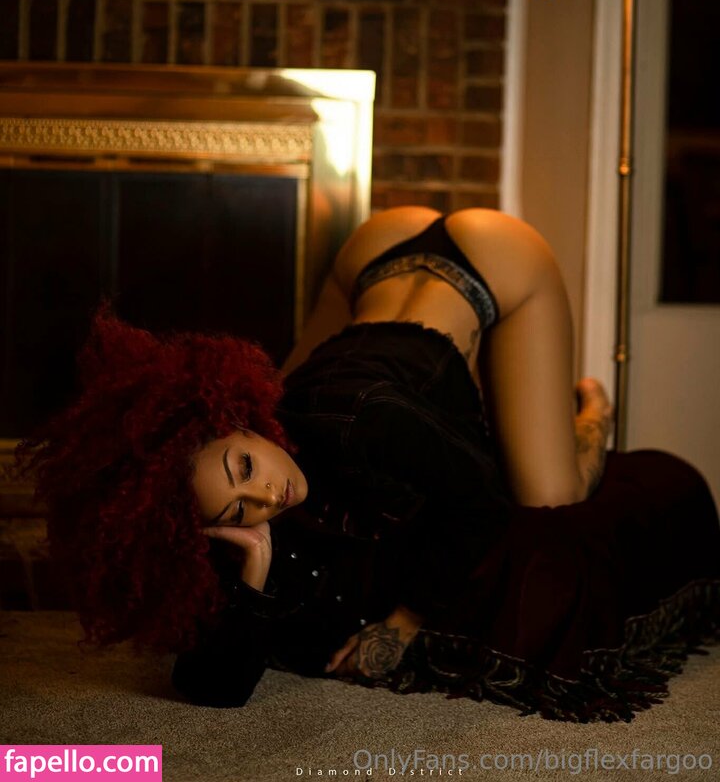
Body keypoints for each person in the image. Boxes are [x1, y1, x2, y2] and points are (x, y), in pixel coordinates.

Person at [16, 207, 720, 722]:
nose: (267, 497)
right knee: (327, 400)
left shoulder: (367, 423)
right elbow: (213, 687)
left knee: (549, 493)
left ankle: (589, 413)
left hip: (496, 264)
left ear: (233, 418)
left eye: (246, 468)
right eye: (237, 510)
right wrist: (253, 567)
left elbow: (480, 503)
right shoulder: (257, 462)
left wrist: (408, 618)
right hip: (372, 255)